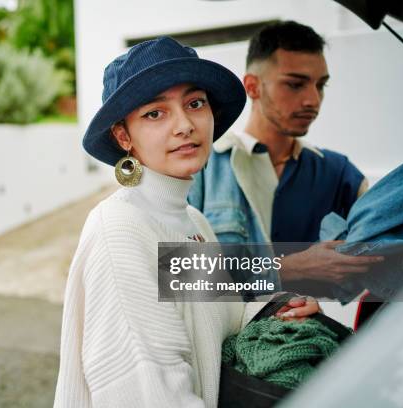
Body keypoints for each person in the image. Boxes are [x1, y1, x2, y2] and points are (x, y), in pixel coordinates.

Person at [54, 37, 320, 408]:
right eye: (155, 113)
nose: (184, 126)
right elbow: (149, 394)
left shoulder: (191, 220)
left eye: (195, 104)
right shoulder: (120, 231)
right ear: (123, 136)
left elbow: (220, 320)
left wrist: (281, 310)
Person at [187, 21, 383, 290]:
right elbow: (179, 276)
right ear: (253, 87)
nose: (312, 100)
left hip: (314, 330)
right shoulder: (203, 169)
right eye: (295, 85)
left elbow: (384, 255)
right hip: (229, 330)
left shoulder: (339, 174)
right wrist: (291, 268)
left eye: (321, 85)